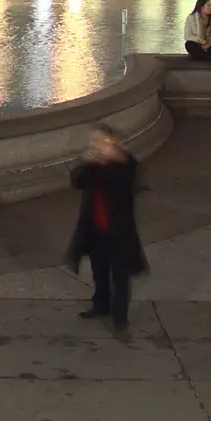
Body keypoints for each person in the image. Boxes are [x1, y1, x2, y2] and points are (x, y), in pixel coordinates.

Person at [64, 123, 146, 332]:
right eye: (94, 141)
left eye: (101, 141)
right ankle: (100, 306)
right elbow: (77, 181)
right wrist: (89, 164)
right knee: (99, 272)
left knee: (120, 276)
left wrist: (108, 162)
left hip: (118, 232)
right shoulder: (93, 165)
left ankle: (120, 318)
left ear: (113, 142)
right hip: (95, 230)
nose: (96, 145)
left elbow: (124, 185)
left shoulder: (126, 164)